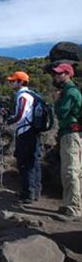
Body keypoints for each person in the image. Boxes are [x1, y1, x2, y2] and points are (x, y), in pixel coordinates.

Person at [4, 71, 41, 204]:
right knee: (33, 162)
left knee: (25, 163)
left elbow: (21, 115)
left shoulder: (23, 96)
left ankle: (28, 193)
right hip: (33, 131)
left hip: (26, 132)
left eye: (13, 81)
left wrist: (10, 121)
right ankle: (35, 191)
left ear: (20, 82)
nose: (10, 83)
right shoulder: (32, 95)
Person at [52, 63, 82, 217]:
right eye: (56, 73)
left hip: (71, 134)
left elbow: (62, 113)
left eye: (60, 73)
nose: (57, 76)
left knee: (71, 170)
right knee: (73, 171)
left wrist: (56, 100)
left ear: (68, 74)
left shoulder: (70, 92)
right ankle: (70, 203)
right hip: (72, 134)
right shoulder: (69, 91)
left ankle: (73, 208)